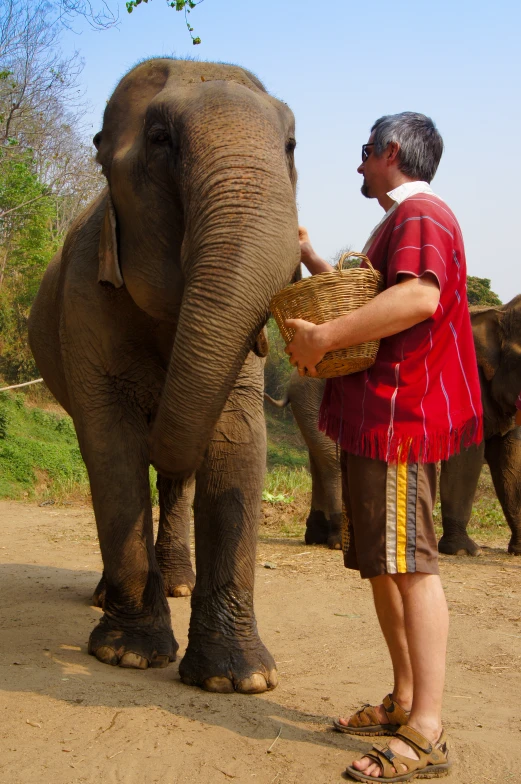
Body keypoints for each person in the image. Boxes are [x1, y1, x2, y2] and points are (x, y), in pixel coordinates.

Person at [285, 112, 483, 782]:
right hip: (376, 417)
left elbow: (418, 299)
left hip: (402, 414)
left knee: (410, 566)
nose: (358, 166)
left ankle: (426, 730)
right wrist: (312, 256)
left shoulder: (422, 214)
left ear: (389, 151)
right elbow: (367, 295)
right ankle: (403, 701)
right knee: (382, 563)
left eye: (364, 154)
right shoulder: (396, 221)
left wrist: (322, 340)